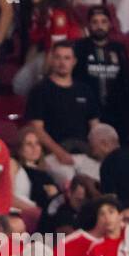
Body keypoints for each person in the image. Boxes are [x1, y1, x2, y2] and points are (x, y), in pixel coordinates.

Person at [26, 41, 102, 186]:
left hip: (84, 154)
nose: (62, 62)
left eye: (67, 58)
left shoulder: (85, 90)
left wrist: (95, 150)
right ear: (51, 60)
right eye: (58, 57)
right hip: (53, 155)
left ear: (74, 62)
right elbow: (36, 128)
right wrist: (59, 153)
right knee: (71, 184)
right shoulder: (40, 90)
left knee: (99, 182)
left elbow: (95, 126)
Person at [73, 6, 129, 140]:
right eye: (95, 22)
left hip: (116, 112)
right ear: (89, 25)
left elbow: (127, 80)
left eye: (103, 22)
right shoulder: (79, 48)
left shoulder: (118, 49)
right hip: (87, 111)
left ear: (110, 24)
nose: (99, 26)